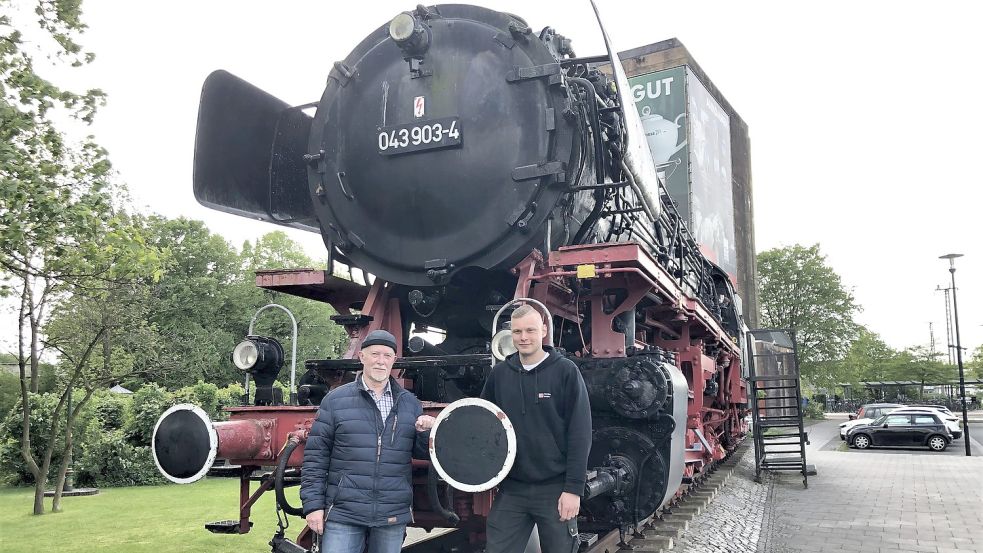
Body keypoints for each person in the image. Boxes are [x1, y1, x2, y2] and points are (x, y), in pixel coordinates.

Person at [300, 329, 436, 553]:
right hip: (344, 512)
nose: (380, 362)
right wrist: (313, 506)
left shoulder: (410, 404)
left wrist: (426, 433)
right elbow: (316, 458)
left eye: (387, 356)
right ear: (362, 357)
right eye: (375, 354)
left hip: (390, 513)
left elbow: (422, 454)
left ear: (394, 361)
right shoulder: (334, 401)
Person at [480, 305, 592, 553]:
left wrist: (573, 489)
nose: (523, 337)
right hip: (512, 488)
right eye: (517, 331)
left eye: (530, 330)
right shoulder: (499, 375)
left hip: (554, 488)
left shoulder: (565, 371)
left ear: (543, 330)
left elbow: (580, 433)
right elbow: (483, 424)